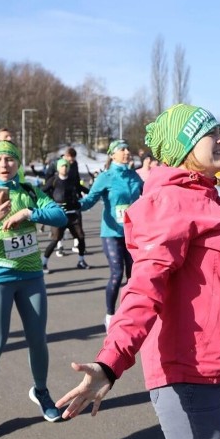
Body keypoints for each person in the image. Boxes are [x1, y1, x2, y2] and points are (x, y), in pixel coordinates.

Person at [57, 103, 220, 439]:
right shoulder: (169, 202)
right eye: (209, 132)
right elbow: (143, 289)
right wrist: (109, 363)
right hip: (188, 372)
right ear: (182, 146)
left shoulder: (209, 198)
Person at [0, 140, 68, 439]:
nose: (5, 164)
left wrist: (30, 214)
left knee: (38, 340)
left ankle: (41, 392)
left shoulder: (30, 192)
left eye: (10, 159)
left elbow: (60, 216)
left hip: (31, 275)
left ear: (18, 164)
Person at [78, 139, 144, 329]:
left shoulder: (134, 176)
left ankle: (130, 313)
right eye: (121, 149)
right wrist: (75, 206)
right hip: (111, 233)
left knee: (133, 277)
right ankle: (110, 315)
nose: (126, 151)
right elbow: (90, 200)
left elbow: (148, 195)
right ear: (112, 154)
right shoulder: (106, 177)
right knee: (117, 274)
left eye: (127, 148)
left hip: (132, 234)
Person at [41, 158, 89, 273]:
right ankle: (43, 263)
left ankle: (81, 261)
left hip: (73, 214)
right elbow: (42, 192)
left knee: (80, 237)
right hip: (59, 214)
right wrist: (49, 204)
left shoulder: (72, 180)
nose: (65, 168)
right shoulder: (53, 180)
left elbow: (81, 189)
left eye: (66, 166)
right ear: (58, 168)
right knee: (55, 239)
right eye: (62, 166)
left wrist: (93, 192)